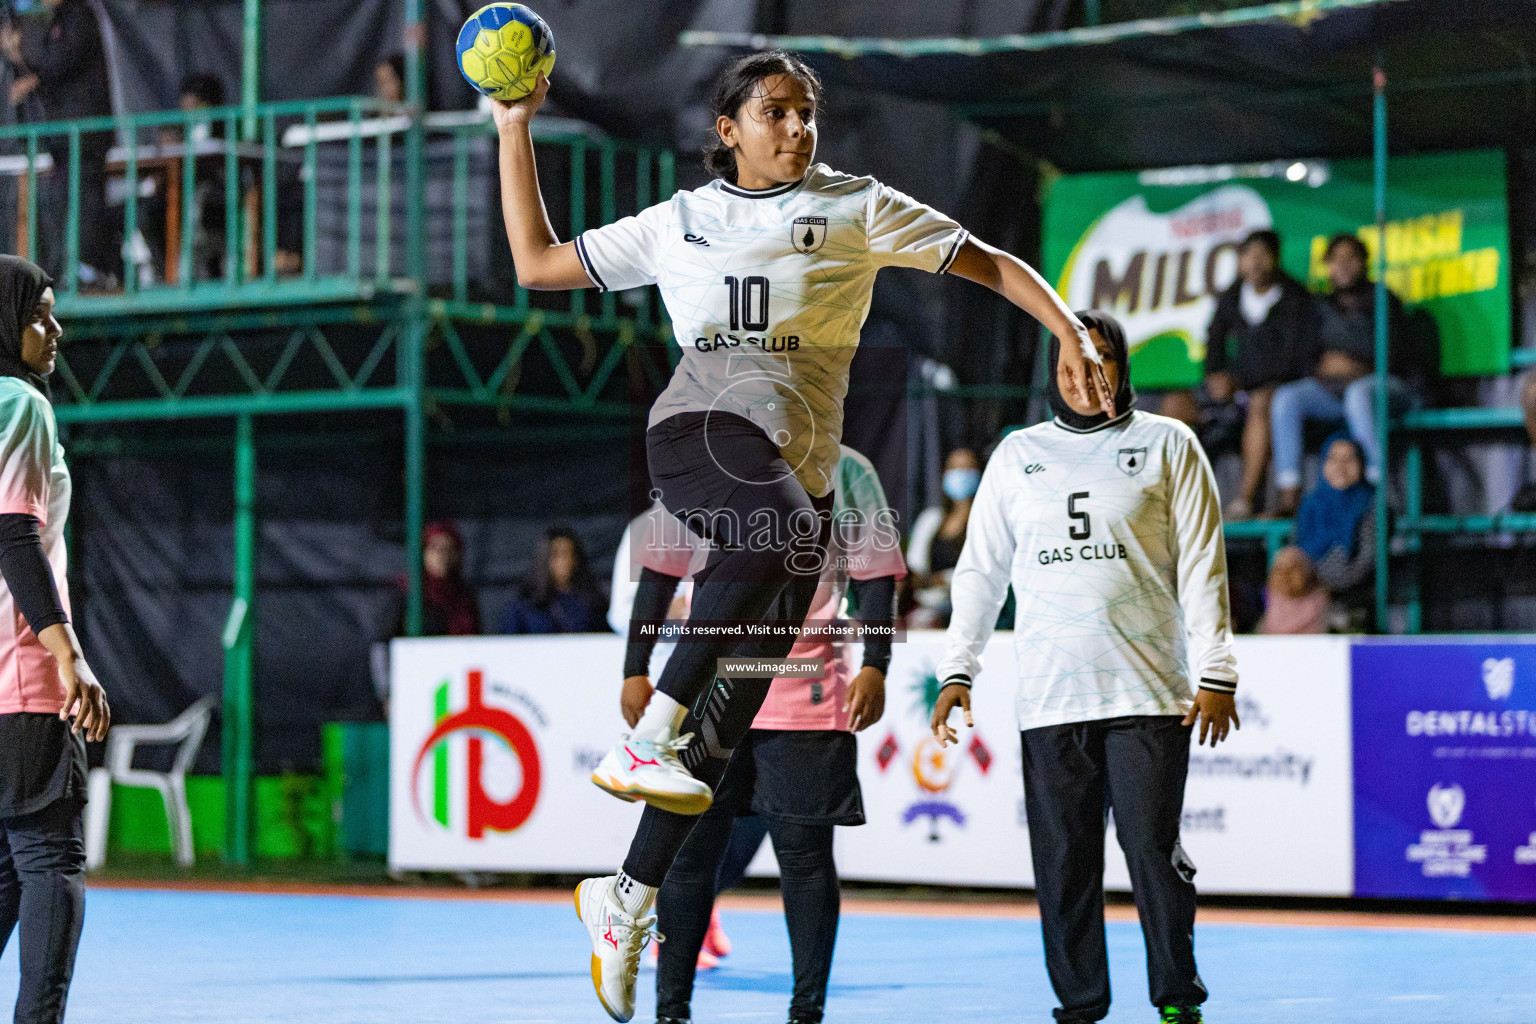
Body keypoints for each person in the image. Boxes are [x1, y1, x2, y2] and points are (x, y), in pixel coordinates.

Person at [490, 48, 1112, 1021]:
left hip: (800, 493)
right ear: (728, 128)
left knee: (718, 732)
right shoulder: (679, 222)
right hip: (698, 429)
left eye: (806, 112)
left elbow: (987, 261)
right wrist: (512, 125)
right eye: (775, 112)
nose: (796, 127)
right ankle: (653, 725)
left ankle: (624, 896)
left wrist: (1067, 323)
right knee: (764, 560)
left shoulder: (857, 207)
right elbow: (535, 260)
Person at [931, 309, 1238, 1024]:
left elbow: (1203, 567)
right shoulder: (1017, 454)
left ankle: (1176, 996)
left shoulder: (1169, 445)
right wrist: (958, 669)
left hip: (1148, 690)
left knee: (1152, 853)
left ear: (1123, 366)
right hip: (1050, 696)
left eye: (1099, 361)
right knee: (1065, 866)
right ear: (1052, 371)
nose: (1084, 377)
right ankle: (1079, 1005)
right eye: (1071, 363)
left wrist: (1216, 671)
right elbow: (980, 572)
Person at [618, 445, 903, 1024]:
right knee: (690, 855)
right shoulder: (709, 458)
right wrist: (634, 666)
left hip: (806, 691)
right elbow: (660, 566)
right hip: (712, 690)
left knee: (804, 858)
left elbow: (875, 574)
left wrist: (877, 661)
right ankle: (671, 1011)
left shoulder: (848, 467)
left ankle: (807, 1011)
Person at [0, 254, 111, 1024]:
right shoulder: (20, 405)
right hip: (25, 678)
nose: (55, 329)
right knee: (50, 863)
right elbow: (16, 538)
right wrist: (68, 657)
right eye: (39, 315)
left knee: (7, 874)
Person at [1268, 234, 1418, 516]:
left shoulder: (1383, 299)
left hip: (1387, 389)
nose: (1344, 266)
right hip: (1335, 391)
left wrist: (1355, 364)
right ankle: (1290, 493)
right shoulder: (1318, 306)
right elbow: (1302, 357)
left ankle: (1376, 493)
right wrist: (1322, 368)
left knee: (1358, 394)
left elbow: (1399, 355)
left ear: (1363, 263)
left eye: (1351, 259)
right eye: (1337, 260)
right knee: (1287, 398)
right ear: (1327, 266)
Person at [1202, 229, 1317, 519]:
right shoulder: (1232, 295)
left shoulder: (1296, 299)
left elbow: (1294, 358)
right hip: (1236, 389)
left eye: (1262, 255)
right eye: (1247, 256)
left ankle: (1245, 499)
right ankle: (1166, 503)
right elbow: (1214, 338)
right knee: (1175, 406)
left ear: (1276, 259)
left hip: (1274, 390)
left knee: (1262, 402)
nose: (1254, 263)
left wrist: (1239, 381)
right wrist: (1216, 374)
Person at [1, 0, 113, 286]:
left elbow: (59, 63)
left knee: (85, 201)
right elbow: (46, 69)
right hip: (63, 137)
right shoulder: (60, 19)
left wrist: (22, 53)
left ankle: (90, 268)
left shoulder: (79, 16)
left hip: (85, 134)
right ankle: (67, 267)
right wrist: (18, 57)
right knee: (61, 201)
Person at [1293, 432, 1377, 630]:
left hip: (1352, 600)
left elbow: (1364, 563)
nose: (1341, 466)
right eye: (1333, 459)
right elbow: (1298, 554)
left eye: (1349, 459)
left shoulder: (1372, 506)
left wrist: (1318, 586)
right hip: (1307, 598)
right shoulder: (1311, 505)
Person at [906, 446, 979, 628]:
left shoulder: (985, 521)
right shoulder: (931, 519)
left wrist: (946, 579)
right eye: (954, 468)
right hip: (928, 606)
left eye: (967, 468)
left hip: (969, 606)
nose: (960, 474)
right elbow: (915, 568)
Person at [500, 525, 607, 634]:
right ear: (545, 558)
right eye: (556, 555)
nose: (564, 561)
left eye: (569, 554)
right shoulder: (524, 603)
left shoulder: (592, 601)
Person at [386, 520, 480, 638]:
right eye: (435, 548)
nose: (442, 555)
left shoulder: (464, 596)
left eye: (449, 548)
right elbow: (385, 641)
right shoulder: (407, 592)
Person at [1254, 545, 1328, 635]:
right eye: (1279, 570)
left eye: (1293, 568)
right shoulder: (1270, 604)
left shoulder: (1318, 602)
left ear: (1307, 574)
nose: (1285, 575)